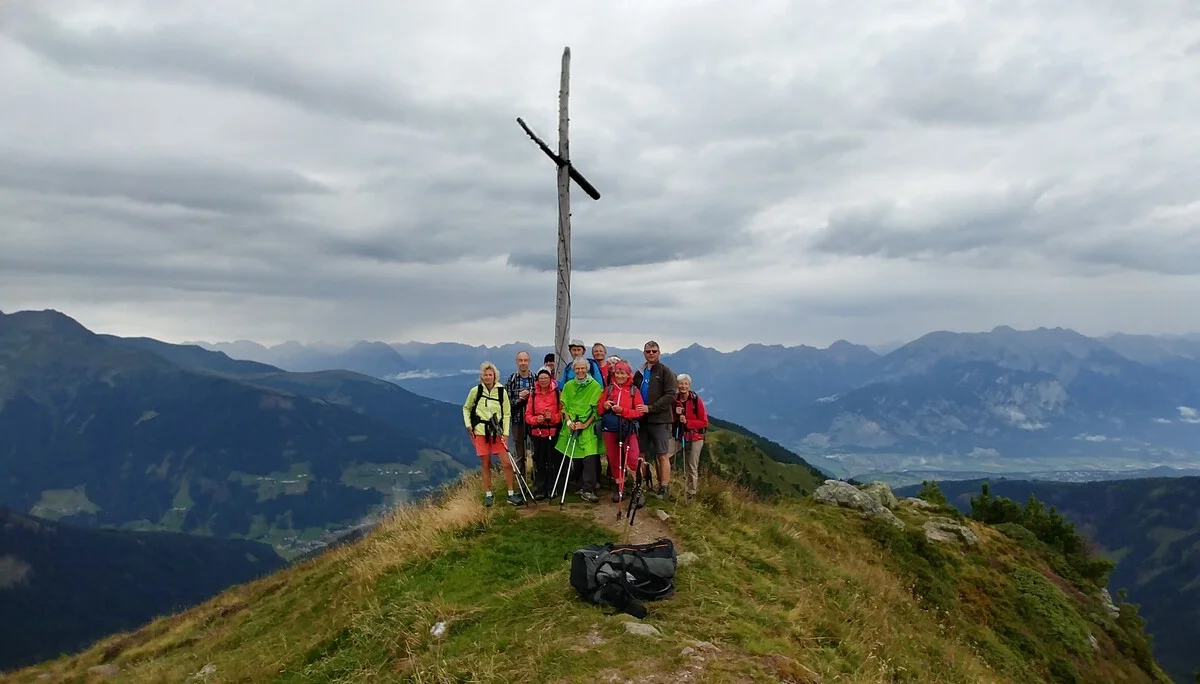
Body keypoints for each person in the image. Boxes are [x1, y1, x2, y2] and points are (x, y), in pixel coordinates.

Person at [462, 362, 518, 507]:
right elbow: (466, 408)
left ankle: (511, 493)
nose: (487, 377)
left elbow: (506, 413)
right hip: (480, 432)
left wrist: (505, 433)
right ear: (482, 376)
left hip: (497, 432)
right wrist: (469, 425)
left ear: (495, 376)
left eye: (490, 375)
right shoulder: (476, 391)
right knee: (485, 464)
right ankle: (488, 494)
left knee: (506, 463)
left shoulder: (501, 391)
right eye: (485, 375)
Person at [554, 357, 604, 503]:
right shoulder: (569, 386)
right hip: (572, 425)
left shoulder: (595, 386)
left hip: (588, 427)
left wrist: (585, 424)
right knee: (576, 457)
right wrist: (569, 421)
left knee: (589, 457)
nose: (580, 371)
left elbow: (596, 411)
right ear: (573, 370)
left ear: (587, 369)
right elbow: (565, 407)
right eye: (577, 368)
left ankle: (588, 488)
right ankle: (580, 484)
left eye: (583, 368)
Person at [632, 340, 678, 499]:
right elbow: (632, 390)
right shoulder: (639, 372)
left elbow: (671, 394)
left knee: (662, 454)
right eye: (648, 351)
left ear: (659, 353)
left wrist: (651, 408)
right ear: (644, 353)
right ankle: (640, 485)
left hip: (660, 420)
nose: (651, 354)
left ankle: (664, 487)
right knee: (640, 454)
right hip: (641, 420)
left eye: (654, 351)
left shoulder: (666, 372)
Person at [597, 360, 644, 503]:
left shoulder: (634, 391)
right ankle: (620, 488)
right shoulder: (608, 390)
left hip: (628, 429)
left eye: (622, 372)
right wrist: (605, 405)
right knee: (614, 459)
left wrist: (622, 411)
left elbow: (639, 412)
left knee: (633, 459)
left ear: (628, 374)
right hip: (610, 429)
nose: (619, 375)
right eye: (617, 372)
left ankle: (638, 489)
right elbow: (599, 411)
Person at [525, 367, 561, 499]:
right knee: (539, 461)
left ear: (550, 378)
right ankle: (540, 489)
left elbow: (562, 413)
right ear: (537, 380)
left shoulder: (557, 393)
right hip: (538, 433)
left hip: (553, 431)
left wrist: (552, 417)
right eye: (541, 378)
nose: (543, 380)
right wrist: (537, 419)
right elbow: (527, 416)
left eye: (546, 378)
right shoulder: (533, 394)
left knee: (552, 461)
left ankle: (552, 488)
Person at [672, 373, 709, 501]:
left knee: (692, 465)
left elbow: (704, 422)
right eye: (681, 383)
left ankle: (691, 493)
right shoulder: (674, 400)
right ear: (677, 385)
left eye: (685, 384)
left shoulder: (696, 400)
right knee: (663, 455)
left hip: (695, 437)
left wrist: (687, 421)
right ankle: (664, 485)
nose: (683, 386)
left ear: (689, 385)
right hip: (679, 435)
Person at [505, 351, 537, 480]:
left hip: (534, 421)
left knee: (536, 451)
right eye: (520, 360)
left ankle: (537, 480)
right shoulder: (511, 380)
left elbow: (540, 399)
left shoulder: (536, 379)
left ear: (529, 362)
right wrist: (518, 398)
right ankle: (521, 482)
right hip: (517, 420)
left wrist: (529, 397)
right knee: (519, 453)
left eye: (525, 360)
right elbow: (506, 402)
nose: (523, 363)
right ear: (517, 362)